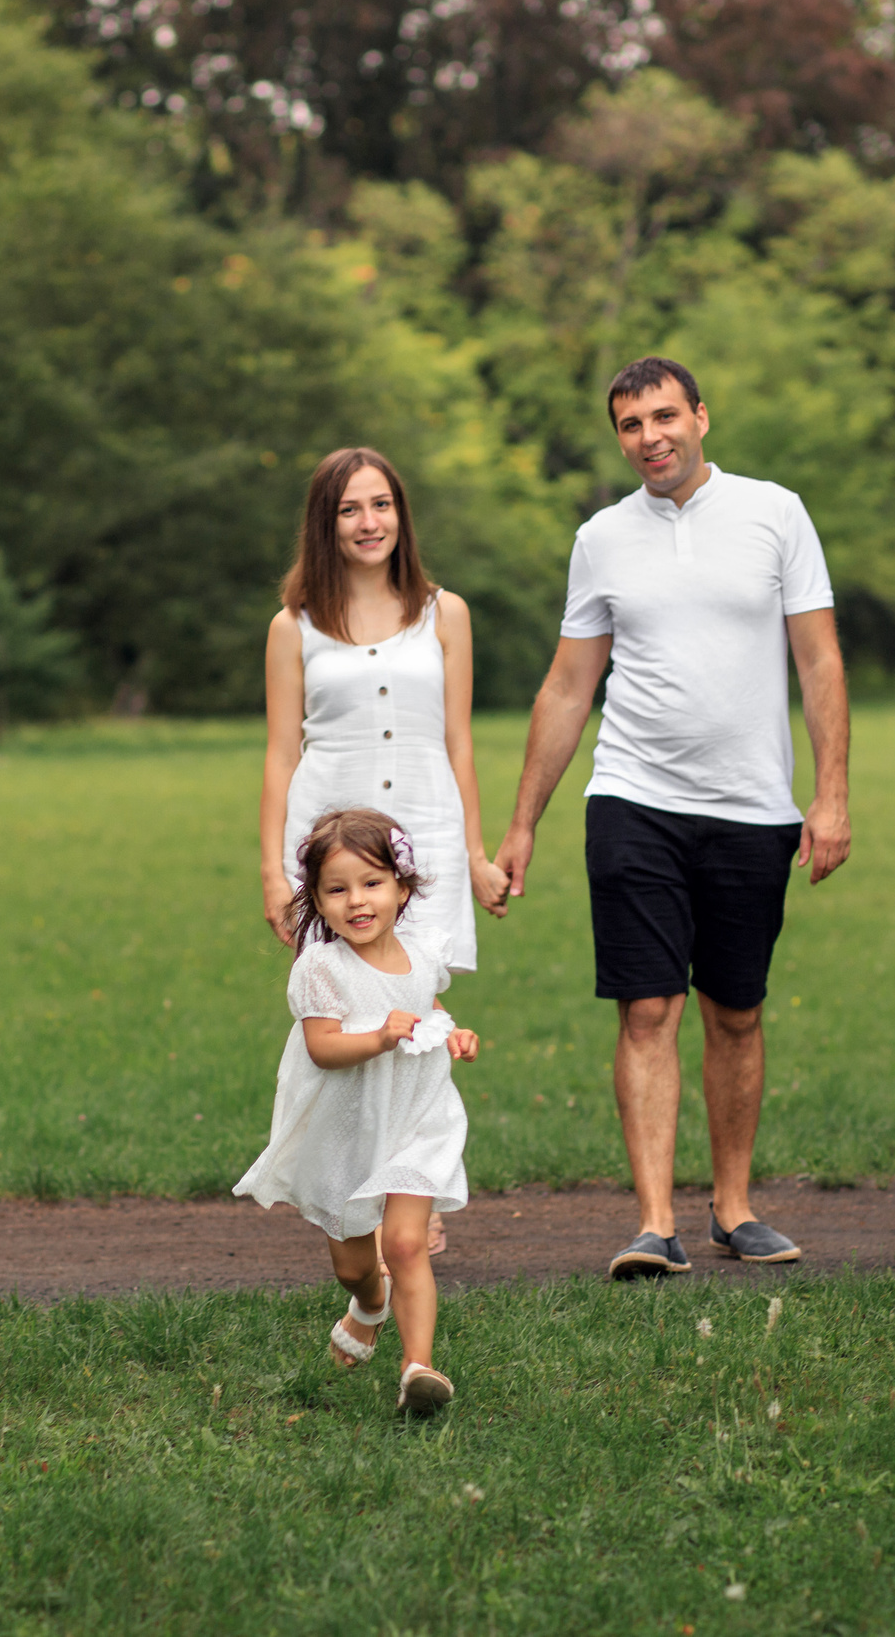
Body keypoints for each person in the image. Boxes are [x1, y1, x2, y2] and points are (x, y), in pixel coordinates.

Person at [493, 356, 851, 1278]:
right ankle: (655, 1223)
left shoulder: (776, 512)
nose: (649, 437)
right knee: (646, 1006)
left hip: (753, 806)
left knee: (734, 1009)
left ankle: (733, 1208)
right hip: (633, 798)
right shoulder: (601, 537)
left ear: (701, 415)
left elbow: (818, 661)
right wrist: (524, 819)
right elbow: (571, 684)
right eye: (629, 425)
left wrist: (832, 792)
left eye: (663, 416)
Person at [260, 447, 507, 1256]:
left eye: (381, 505)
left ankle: (411, 1198)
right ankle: (343, 1199)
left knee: (421, 1015)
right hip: (332, 849)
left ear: (401, 513)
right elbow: (279, 754)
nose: (369, 523)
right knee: (345, 1021)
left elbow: (460, 740)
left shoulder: (446, 613)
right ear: (324, 524)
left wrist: (472, 850)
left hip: (425, 835)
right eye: (349, 509)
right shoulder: (293, 626)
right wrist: (273, 867)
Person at [234, 808, 481, 1415]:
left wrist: (453, 1033)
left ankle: (418, 1368)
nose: (357, 901)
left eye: (372, 883)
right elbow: (323, 1049)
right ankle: (369, 1306)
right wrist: (380, 1037)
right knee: (354, 1265)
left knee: (403, 1242)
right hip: (347, 1130)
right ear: (316, 901)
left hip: (419, 1117)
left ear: (403, 886)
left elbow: (429, 1006)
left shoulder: (423, 955)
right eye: (336, 890)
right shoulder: (322, 968)